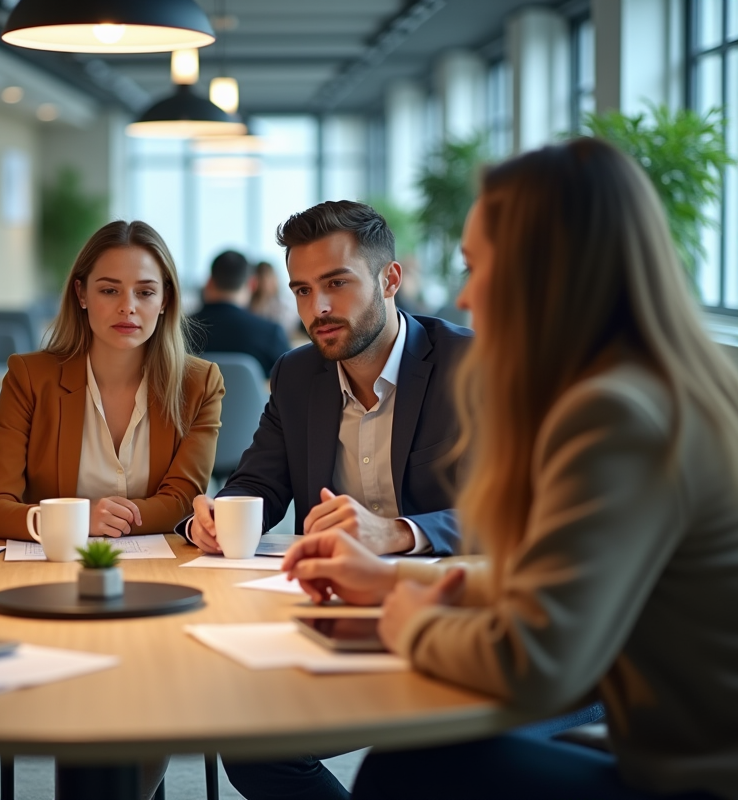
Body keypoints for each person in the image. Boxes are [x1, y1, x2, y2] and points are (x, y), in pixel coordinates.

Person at [286, 139, 738, 800]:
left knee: (406, 768)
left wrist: (406, 621)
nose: (465, 296)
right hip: (670, 752)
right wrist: (390, 579)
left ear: (545, 269)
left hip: (691, 780)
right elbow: (547, 576)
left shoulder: (615, 414)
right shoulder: (656, 385)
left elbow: (536, 659)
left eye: (476, 267)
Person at [178, 201, 472, 800]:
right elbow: (258, 483)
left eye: (337, 283)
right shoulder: (296, 375)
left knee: (416, 771)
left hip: (454, 616)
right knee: (254, 744)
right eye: (303, 290)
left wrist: (398, 532)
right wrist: (215, 516)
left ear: (390, 280)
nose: (318, 309)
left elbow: (517, 515)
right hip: (344, 619)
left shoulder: (469, 366)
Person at [0, 220, 225, 542]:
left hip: (159, 565)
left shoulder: (198, 384)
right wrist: (79, 520)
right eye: (109, 290)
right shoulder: (30, 378)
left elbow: (182, 504)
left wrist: (105, 520)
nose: (127, 307)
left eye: (145, 292)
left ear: (164, 300)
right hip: (52, 563)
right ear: (82, 294)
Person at [189, 250, 291, 378]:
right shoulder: (270, 333)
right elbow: (292, 380)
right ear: (252, 284)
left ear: (209, 282)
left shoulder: (179, 330)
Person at [249, 259, 301, 335]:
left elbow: (288, 329)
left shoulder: (284, 306)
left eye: (269, 277)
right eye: (264, 278)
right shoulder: (249, 305)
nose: (267, 283)